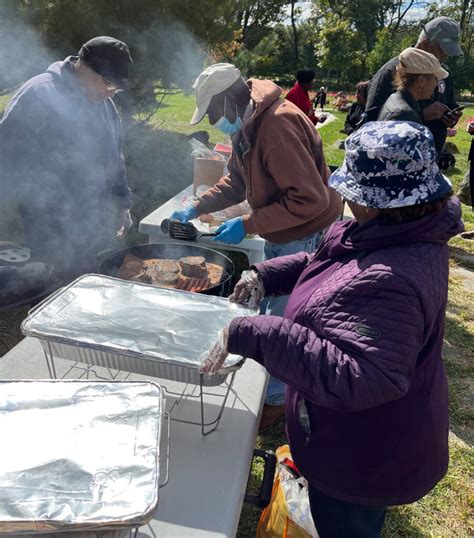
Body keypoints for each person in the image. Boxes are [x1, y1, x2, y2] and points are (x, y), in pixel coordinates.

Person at [201, 121, 464, 537]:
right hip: (347, 438)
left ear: (381, 202)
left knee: (343, 527)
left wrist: (258, 332)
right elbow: (330, 266)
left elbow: (360, 377)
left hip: (365, 456)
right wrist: (266, 275)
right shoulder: (392, 230)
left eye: (355, 192)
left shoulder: (395, 276)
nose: (344, 198)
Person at [169, 63, 342, 430]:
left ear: (231, 101)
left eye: (215, 115)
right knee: (267, 307)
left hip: (304, 231)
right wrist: (198, 206)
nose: (216, 123)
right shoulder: (248, 123)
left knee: (284, 318)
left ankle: (279, 402)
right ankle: (270, 381)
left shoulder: (277, 126)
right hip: (280, 230)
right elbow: (236, 179)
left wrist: (248, 223)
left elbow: (308, 199)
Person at [0, 36, 133, 281]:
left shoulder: (106, 105)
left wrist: (122, 202)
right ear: (83, 65)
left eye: (116, 88)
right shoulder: (39, 93)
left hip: (90, 221)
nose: (109, 92)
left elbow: (115, 155)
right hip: (46, 225)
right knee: (48, 295)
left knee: (83, 291)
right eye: (106, 83)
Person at [365, 16, 463, 155]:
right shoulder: (390, 72)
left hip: (429, 159)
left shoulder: (443, 74)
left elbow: (450, 104)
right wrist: (420, 115)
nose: (446, 56)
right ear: (424, 44)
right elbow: (371, 122)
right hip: (400, 161)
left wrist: (451, 117)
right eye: (442, 50)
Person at [378, 48, 448, 124]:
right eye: (435, 78)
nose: (436, 84)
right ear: (421, 80)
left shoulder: (396, 99)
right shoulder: (405, 115)